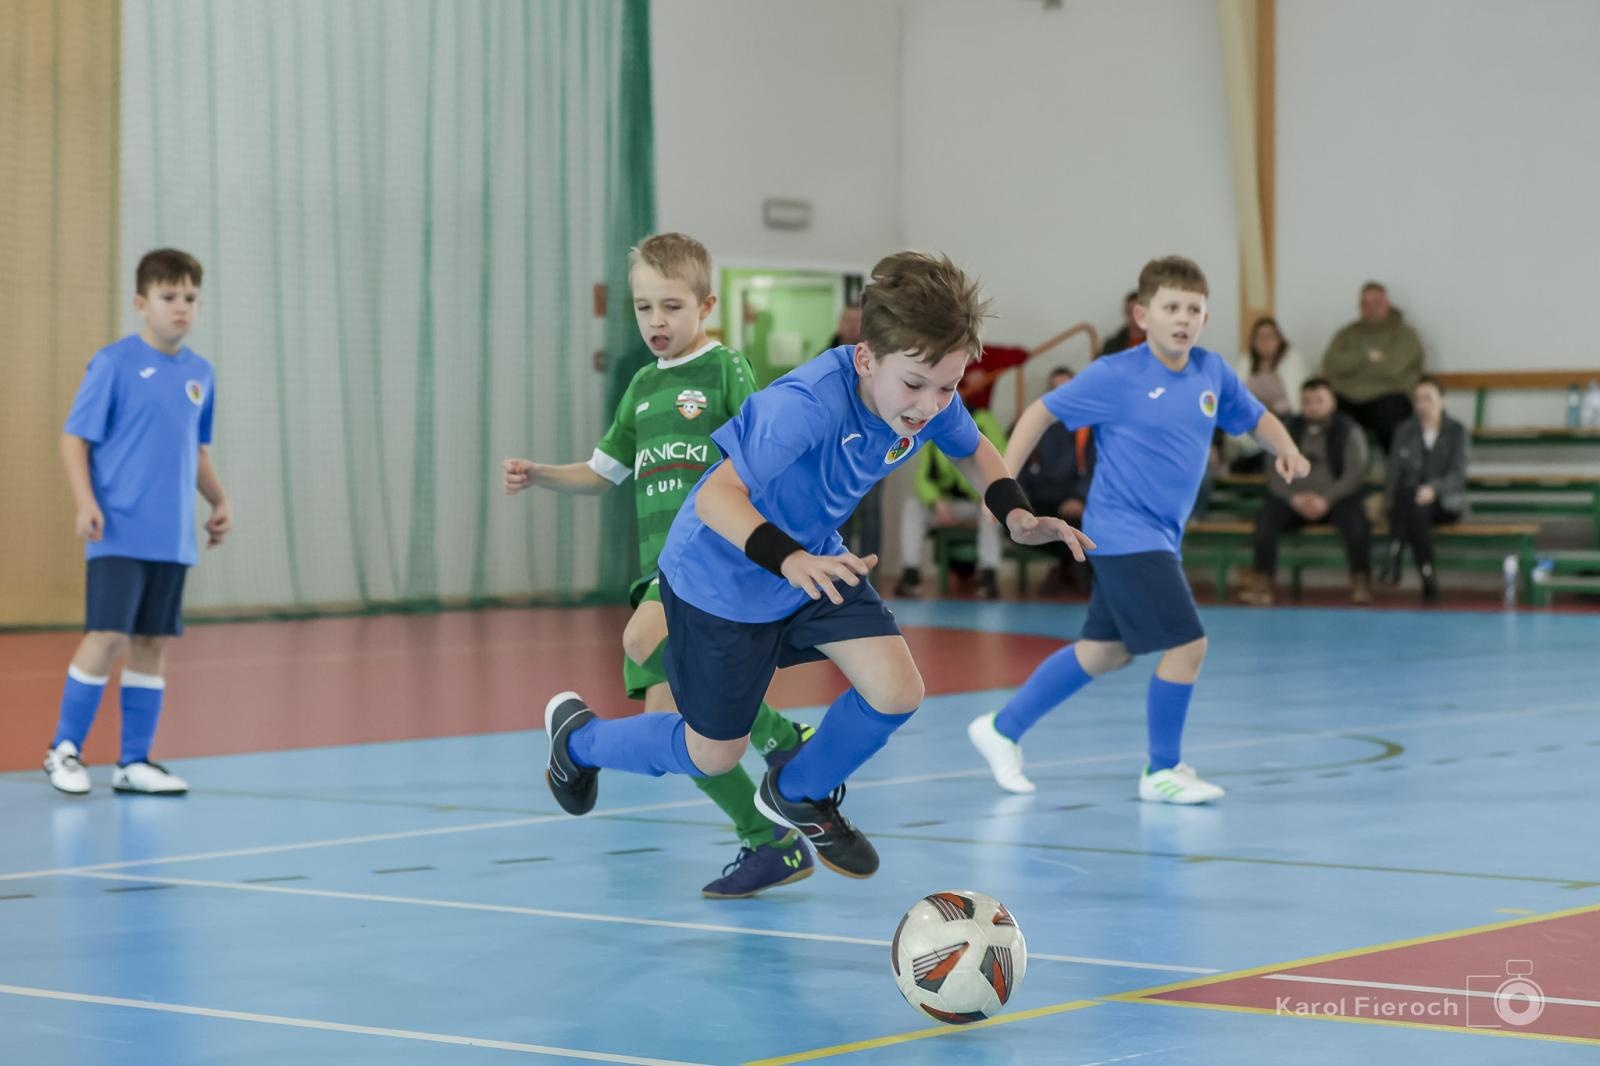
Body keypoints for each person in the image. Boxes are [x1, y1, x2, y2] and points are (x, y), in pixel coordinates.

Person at [539, 252, 1090, 877]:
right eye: (916, 385)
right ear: (865, 359)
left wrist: (1015, 513)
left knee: (896, 689)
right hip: (721, 579)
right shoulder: (804, 404)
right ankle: (577, 741)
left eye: (949, 386)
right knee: (713, 754)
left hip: (812, 561)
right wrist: (789, 558)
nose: (932, 404)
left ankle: (797, 792)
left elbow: (971, 446)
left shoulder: (924, 393)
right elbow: (717, 496)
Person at [503, 233, 813, 898]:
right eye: (644, 309)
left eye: (671, 306)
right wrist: (540, 475)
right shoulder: (641, 387)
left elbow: (765, 450)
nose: (656, 322)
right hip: (661, 571)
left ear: (705, 307)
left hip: (717, 561)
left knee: (639, 637)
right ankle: (770, 843)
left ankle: (783, 737)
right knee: (680, 730)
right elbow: (601, 472)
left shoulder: (725, 368)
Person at [967, 255, 1308, 802]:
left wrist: (1286, 448)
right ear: (1142, 314)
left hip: (1159, 536)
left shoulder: (1212, 372)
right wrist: (1001, 485)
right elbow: (1038, 412)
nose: (1184, 318)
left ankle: (1001, 729)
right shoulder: (1116, 374)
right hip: (1124, 533)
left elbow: (1255, 418)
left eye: (1194, 309)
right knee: (1188, 645)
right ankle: (1161, 771)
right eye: (1172, 307)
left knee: (1105, 652)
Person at [44, 248, 232, 796]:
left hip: (171, 538)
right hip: (119, 529)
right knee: (106, 636)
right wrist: (86, 502)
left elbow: (196, 449)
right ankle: (64, 750)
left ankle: (134, 762)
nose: (181, 309)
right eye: (169, 298)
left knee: (152, 643)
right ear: (140, 302)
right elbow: (74, 437)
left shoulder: (201, 373)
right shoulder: (113, 363)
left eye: (190, 299)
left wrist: (219, 499)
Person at [1238, 379, 1374, 607]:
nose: (1312, 406)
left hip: (1334, 499)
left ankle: (1361, 583)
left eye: (1319, 401)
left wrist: (1326, 499)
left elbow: (1354, 473)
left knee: (1357, 523)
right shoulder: (1286, 428)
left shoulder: (1349, 430)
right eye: (1307, 401)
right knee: (1265, 521)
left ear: (1333, 402)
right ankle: (1262, 585)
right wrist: (1293, 498)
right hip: (1293, 500)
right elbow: (1272, 472)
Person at [894, 384, 1009, 600]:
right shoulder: (935, 425)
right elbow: (923, 476)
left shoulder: (984, 421)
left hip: (978, 502)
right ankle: (911, 573)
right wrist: (935, 501)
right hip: (949, 506)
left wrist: (982, 495)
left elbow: (999, 465)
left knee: (991, 511)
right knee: (913, 506)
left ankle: (988, 574)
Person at [1380, 375, 1469, 603]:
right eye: (1418, 399)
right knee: (1414, 504)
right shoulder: (1405, 430)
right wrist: (1387, 505)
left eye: (1428, 398)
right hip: (1411, 503)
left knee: (1412, 500)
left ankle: (1395, 549)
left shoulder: (1457, 431)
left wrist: (1433, 489)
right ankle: (1428, 575)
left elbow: (1457, 475)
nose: (1422, 405)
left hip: (1446, 502)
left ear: (1442, 400)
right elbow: (1394, 472)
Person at [1321, 281, 1424, 455]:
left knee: (1391, 415)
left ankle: (1399, 476)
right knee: (1326, 415)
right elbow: (1331, 364)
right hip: (1348, 398)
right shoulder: (1347, 334)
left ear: (1388, 304)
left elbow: (1392, 369)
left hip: (1389, 398)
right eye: (1364, 303)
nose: (1370, 308)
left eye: (1376, 303)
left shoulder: (1405, 334)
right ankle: (1336, 477)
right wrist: (1367, 358)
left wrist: (1352, 369)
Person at [1017, 367, 1095, 593]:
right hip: (1039, 502)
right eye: (1054, 390)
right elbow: (1018, 470)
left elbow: (1096, 469)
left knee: (1085, 523)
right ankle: (1064, 568)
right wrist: (1020, 506)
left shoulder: (1090, 429)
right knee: (1016, 523)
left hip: (1074, 502)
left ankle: (1072, 571)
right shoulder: (1031, 427)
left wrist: (1079, 498)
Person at [1226, 316, 1308, 473]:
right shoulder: (1245, 362)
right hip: (1250, 417)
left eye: (1269, 336)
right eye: (1260, 337)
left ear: (1279, 339)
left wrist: (1272, 407)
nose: (1265, 341)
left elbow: (1298, 398)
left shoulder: (1293, 361)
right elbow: (1235, 396)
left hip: (1284, 418)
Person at [1100, 290, 1144, 355]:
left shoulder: (1160, 344)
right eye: (1130, 312)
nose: (1134, 318)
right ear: (1124, 313)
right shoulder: (1111, 346)